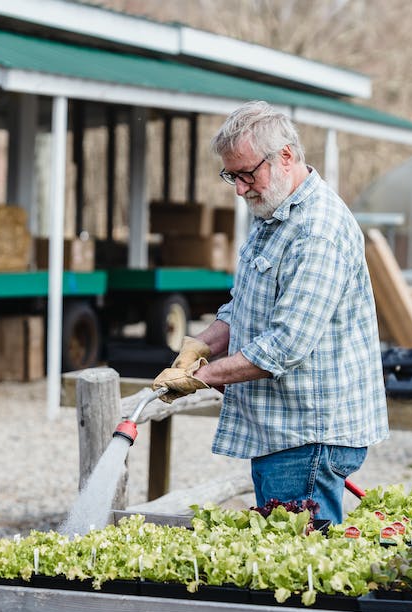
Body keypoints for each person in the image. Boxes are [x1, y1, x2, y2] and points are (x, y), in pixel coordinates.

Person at [152, 100, 388, 524]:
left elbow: (285, 345)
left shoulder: (318, 230)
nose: (240, 189)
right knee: (291, 561)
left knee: (303, 574)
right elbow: (242, 306)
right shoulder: (273, 213)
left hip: (308, 434)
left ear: (285, 156)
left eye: (247, 174)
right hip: (282, 430)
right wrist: (201, 344)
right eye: (232, 176)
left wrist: (200, 376)